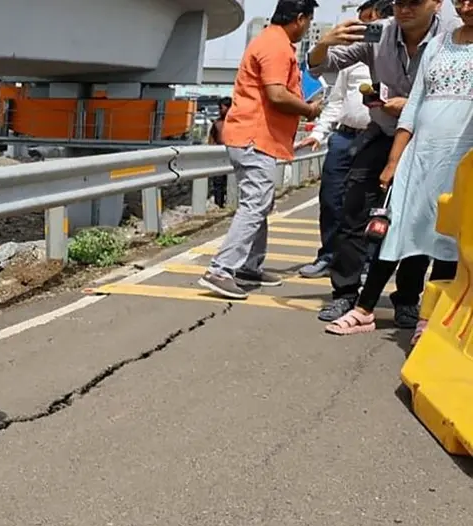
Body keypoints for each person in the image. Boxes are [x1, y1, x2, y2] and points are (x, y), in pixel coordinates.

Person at [325, 2, 473, 342]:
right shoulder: (438, 45)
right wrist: (394, 160)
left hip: (462, 162)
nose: (466, 7)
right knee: (394, 232)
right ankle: (363, 310)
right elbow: (414, 105)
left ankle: (429, 317)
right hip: (418, 157)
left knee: (446, 242)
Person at [199, 0, 324, 300]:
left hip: (253, 137)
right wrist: (308, 109)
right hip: (255, 137)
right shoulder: (276, 46)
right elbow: (277, 94)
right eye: (307, 21)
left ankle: (249, 266)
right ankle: (221, 269)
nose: (306, 27)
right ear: (299, 18)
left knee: (259, 203)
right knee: (256, 203)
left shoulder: (272, 41)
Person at [294, 0, 383, 278]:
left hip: (376, 138)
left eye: (371, 21)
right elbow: (336, 101)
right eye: (361, 23)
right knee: (332, 200)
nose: (365, 29)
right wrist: (320, 133)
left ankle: (366, 262)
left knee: (369, 206)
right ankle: (329, 256)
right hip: (343, 138)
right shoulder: (350, 58)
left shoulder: (395, 58)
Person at [207, 97, 233, 208]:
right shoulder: (217, 123)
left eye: (221, 108)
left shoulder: (237, 122)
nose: (219, 111)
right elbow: (212, 138)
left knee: (231, 181)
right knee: (218, 182)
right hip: (219, 157)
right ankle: (219, 204)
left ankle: (231, 202)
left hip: (232, 156)